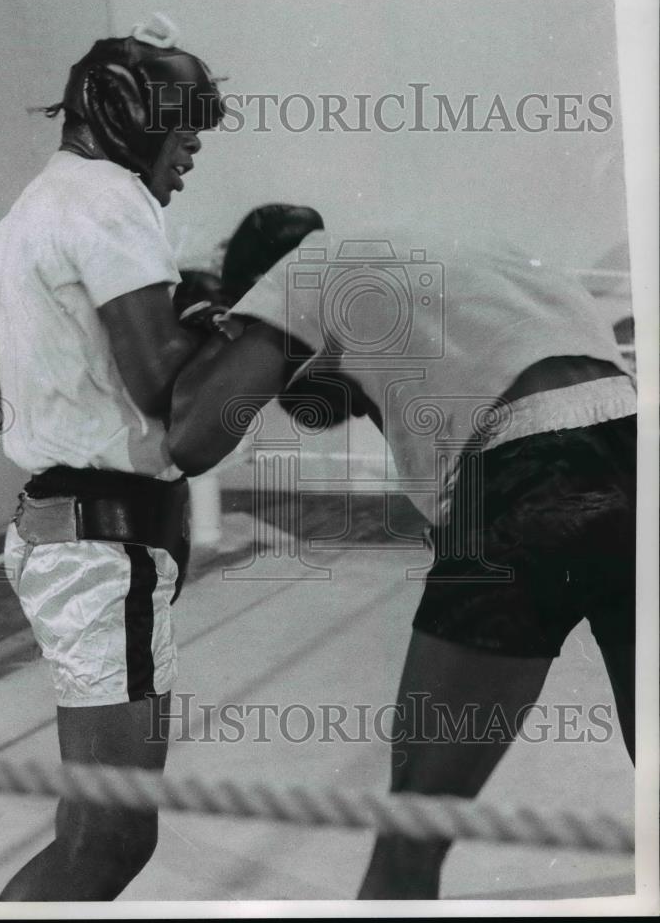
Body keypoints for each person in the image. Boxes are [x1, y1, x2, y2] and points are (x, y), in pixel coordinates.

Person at [165, 225, 637, 900]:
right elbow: (328, 402)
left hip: (528, 478)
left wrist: (217, 338)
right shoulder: (462, 262)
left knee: (410, 837)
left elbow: (191, 442)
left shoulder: (302, 271)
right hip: (637, 450)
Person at [0, 16, 229, 901]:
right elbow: (164, 386)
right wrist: (255, 327)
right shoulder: (113, 201)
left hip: (68, 534)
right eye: (184, 121)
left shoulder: (32, 208)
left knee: (99, 829)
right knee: (110, 838)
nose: (192, 145)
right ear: (132, 115)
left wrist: (183, 312)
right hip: (101, 542)